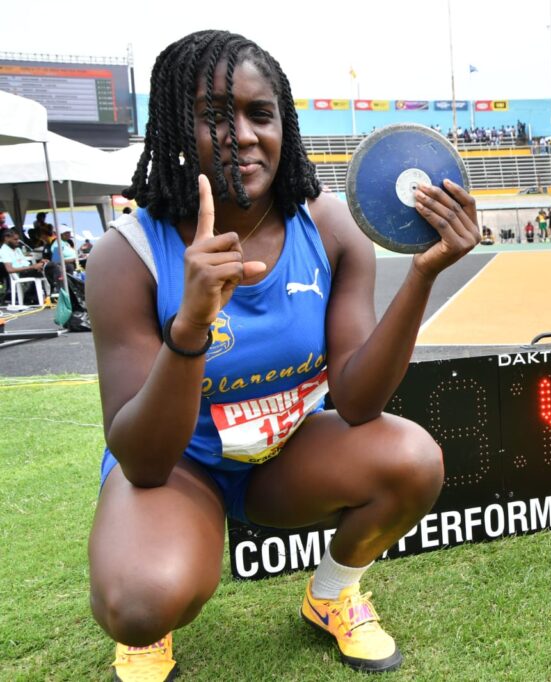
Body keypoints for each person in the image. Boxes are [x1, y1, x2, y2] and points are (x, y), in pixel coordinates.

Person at [84, 30, 479, 680]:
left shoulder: (328, 227)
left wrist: (423, 276)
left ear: (284, 124)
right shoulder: (125, 256)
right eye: (213, 116)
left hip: (281, 457)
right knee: (142, 599)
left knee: (412, 461)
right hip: (179, 468)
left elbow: (356, 402)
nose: (240, 133)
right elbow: (144, 461)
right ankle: (149, 623)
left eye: (258, 114)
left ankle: (330, 596)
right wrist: (190, 331)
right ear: (179, 131)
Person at [1, 227, 50, 304]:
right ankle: (49, 294)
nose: (18, 241)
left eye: (18, 239)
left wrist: (39, 263)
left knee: (50, 265)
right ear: (7, 239)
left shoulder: (17, 249)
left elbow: (27, 264)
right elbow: (9, 269)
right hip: (20, 273)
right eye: (15, 239)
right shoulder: (4, 251)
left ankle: (33, 295)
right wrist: (33, 267)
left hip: (28, 270)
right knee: (50, 269)